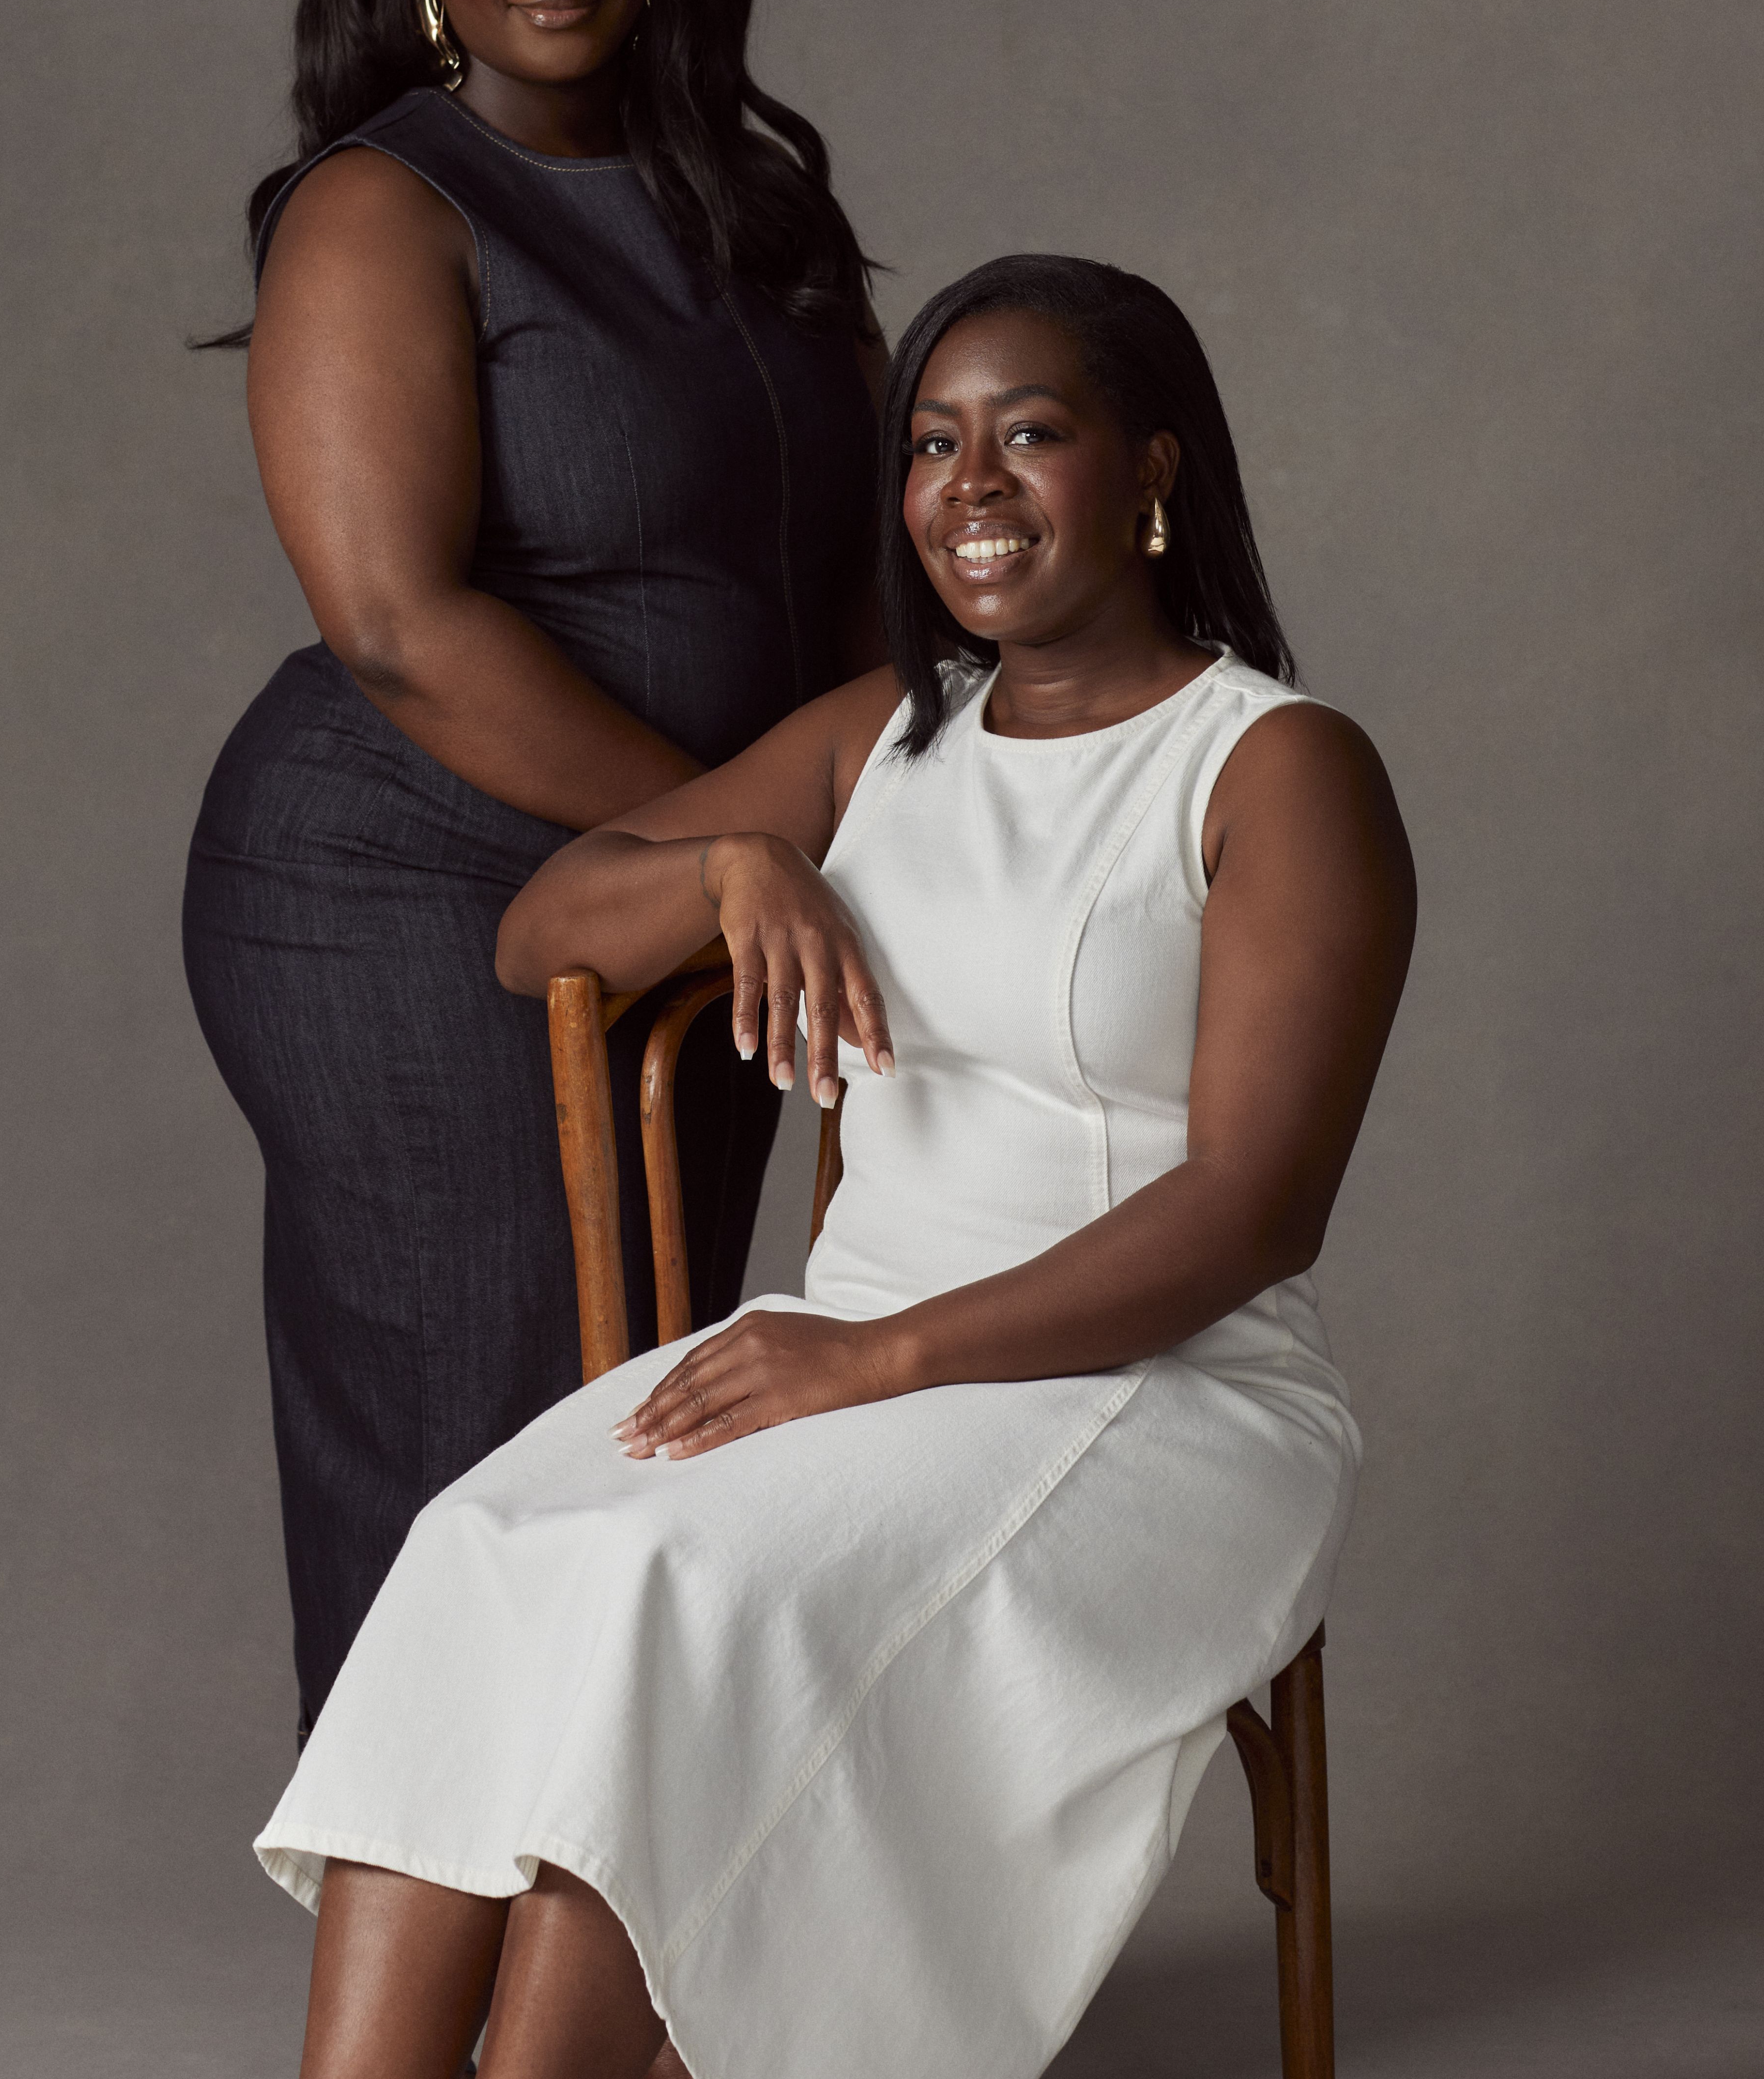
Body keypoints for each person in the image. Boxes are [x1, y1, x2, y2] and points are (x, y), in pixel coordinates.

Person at [251, 253, 1417, 2079]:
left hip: (1149, 1389)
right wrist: (735, 866)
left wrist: (869, 1359)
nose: (971, 488)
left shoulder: (1272, 769)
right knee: (484, 1544)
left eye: (1032, 434)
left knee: (674, 1597)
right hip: (852, 1355)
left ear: (1154, 472)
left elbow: (1252, 1210)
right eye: (933, 443)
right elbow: (542, 925)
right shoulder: (890, 733)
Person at [183, 0, 883, 1739]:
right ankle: (434, 1986)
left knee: (658, 1398)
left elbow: (859, 579)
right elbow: (402, 626)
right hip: (405, 882)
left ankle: (605, 1963)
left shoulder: (766, 213)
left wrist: (864, 821)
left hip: (707, 887)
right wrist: (732, 832)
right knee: (476, 1413)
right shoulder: (384, 207)